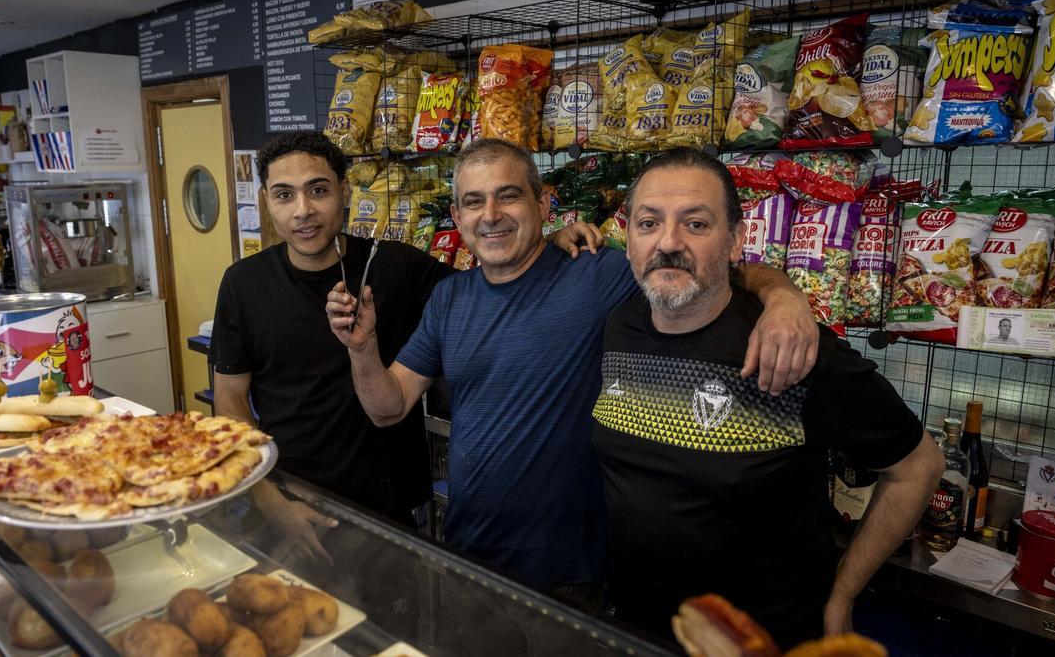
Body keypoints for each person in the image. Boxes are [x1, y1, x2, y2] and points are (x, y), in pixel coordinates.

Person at [326, 138, 820, 599]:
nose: (491, 216)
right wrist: (363, 348)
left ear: (542, 206)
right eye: (474, 202)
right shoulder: (449, 298)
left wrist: (783, 296)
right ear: (457, 215)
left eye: (509, 197)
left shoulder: (597, 273)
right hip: (469, 554)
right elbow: (388, 409)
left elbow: (700, 266)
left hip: (569, 572)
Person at [590, 148, 944, 648]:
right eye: (649, 223)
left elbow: (918, 467)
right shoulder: (618, 327)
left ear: (736, 240)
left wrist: (843, 593)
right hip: (632, 628)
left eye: (695, 224)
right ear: (628, 240)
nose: (668, 242)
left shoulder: (791, 349)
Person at [212, 131, 600, 551]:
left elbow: (493, 281)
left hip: (390, 510)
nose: (302, 211)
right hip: (291, 499)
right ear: (266, 199)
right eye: (284, 195)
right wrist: (269, 499)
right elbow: (230, 401)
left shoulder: (396, 265)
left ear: (344, 191)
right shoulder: (243, 284)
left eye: (318, 190)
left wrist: (550, 244)